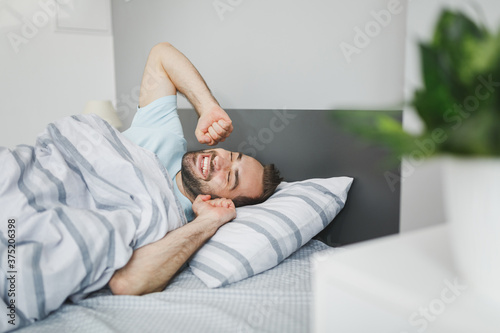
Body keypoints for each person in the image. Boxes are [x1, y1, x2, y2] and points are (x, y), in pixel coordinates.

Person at [108, 42, 282, 296]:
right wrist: (208, 107)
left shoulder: (175, 226)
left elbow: (127, 283)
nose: (220, 160)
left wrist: (209, 221)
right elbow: (161, 54)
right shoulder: (165, 134)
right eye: (232, 155)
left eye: (230, 178)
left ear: (221, 202)